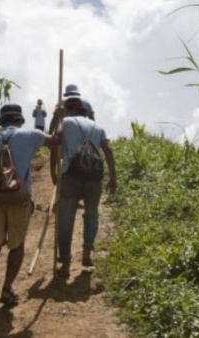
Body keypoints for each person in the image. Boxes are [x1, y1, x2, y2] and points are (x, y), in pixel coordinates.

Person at [0, 104, 59, 319]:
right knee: (16, 246)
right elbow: (56, 141)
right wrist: (57, 116)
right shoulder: (30, 135)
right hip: (20, 199)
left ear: (1, 121)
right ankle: (7, 289)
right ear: (20, 120)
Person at [50, 92, 117, 277]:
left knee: (65, 220)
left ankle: (65, 264)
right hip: (94, 178)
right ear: (84, 110)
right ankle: (87, 252)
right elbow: (108, 150)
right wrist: (113, 177)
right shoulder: (98, 126)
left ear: (69, 110)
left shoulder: (66, 122)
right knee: (92, 214)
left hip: (70, 176)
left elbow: (55, 144)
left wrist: (54, 175)